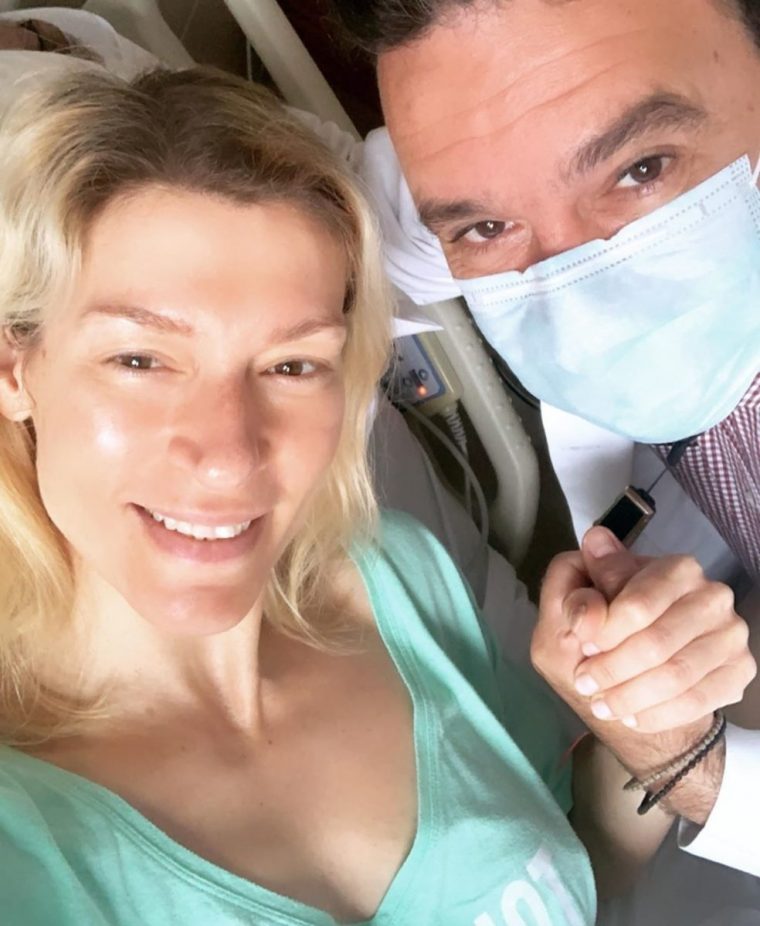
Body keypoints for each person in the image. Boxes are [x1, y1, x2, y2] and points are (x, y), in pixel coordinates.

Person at [0, 61, 754, 923]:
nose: (229, 457)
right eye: (140, 360)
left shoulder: (397, 578)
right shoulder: (26, 841)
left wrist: (647, 732)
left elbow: (579, 864)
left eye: (292, 366)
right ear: (16, 369)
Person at [329, 0, 760, 880]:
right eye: (488, 228)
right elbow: (343, 226)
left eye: (642, 169)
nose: (587, 313)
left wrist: (689, 765)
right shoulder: (484, 145)